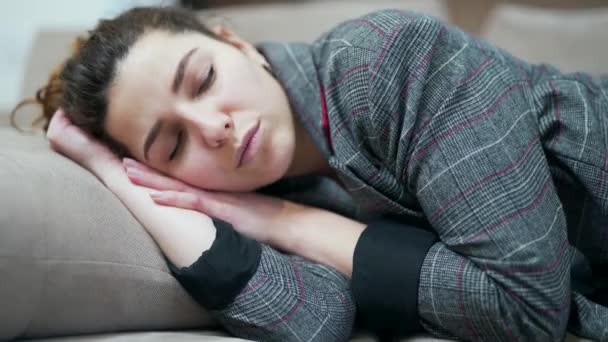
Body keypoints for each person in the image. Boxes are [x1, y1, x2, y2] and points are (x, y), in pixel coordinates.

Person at [13, 5, 608, 342]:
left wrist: (286, 223)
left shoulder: (387, 65)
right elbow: (315, 321)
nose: (212, 128)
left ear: (234, 43)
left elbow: (528, 310)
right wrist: (116, 178)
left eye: (204, 80)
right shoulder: (261, 185)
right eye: (172, 145)